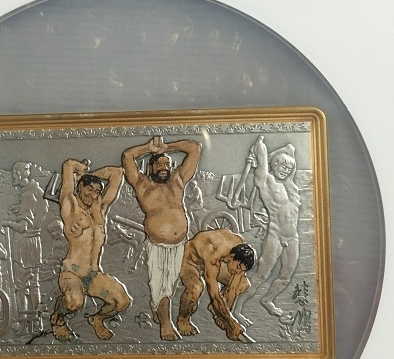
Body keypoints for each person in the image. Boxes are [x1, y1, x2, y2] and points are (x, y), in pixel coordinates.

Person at [122, 136, 201, 340]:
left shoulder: (177, 181)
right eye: (158, 164)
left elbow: (194, 148)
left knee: (174, 286)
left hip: (180, 245)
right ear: (151, 168)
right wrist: (148, 148)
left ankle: (163, 310)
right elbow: (127, 156)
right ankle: (166, 325)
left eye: (167, 163)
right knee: (162, 287)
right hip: (157, 246)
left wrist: (167, 147)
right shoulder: (142, 185)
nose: (163, 167)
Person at [50, 159, 130, 342]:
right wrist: (82, 172)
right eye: (89, 189)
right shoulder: (70, 207)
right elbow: (68, 165)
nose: (93, 195)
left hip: (92, 275)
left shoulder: (99, 211)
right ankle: (58, 319)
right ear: (80, 187)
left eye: (97, 191)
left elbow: (117, 173)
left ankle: (97, 319)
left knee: (122, 302)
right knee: (74, 302)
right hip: (72, 273)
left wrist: (90, 176)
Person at [236, 136, 301, 322]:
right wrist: (259, 147)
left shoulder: (291, 186)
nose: (286, 170)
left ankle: (268, 299)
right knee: (261, 275)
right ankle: (237, 309)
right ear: (274, 165)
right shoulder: (266, 182)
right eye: (283, 166)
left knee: (286, 276)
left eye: (289, 168)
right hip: (275, 235)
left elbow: (291, 150)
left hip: (292, 237)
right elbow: (263, 154)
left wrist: (285, 153)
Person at [176, 229, 255, 341]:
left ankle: (217, 311)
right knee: (196, 288)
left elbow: (233, 287)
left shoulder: (240, 252)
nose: (238, 271)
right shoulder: (214, 256)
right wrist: (231, 324)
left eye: (241, 269)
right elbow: (214, 296)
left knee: (243, 284)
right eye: (238, 267)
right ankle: (183, 320)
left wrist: (225, 317)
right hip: (191, 261)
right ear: (231, 257)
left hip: (212, 262)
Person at [0, 162, 48, 329]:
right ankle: (37, 322)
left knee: (21, 286)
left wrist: (7, 223)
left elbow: (23, 227)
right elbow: (37, 211)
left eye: (15, 173)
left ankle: (23, 322)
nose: (13, 176)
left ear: (20, 174)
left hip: (24, 245)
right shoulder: (36, 191)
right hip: (35, 242)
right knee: (34, 283)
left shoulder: (27, 196)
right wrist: (19, 208)